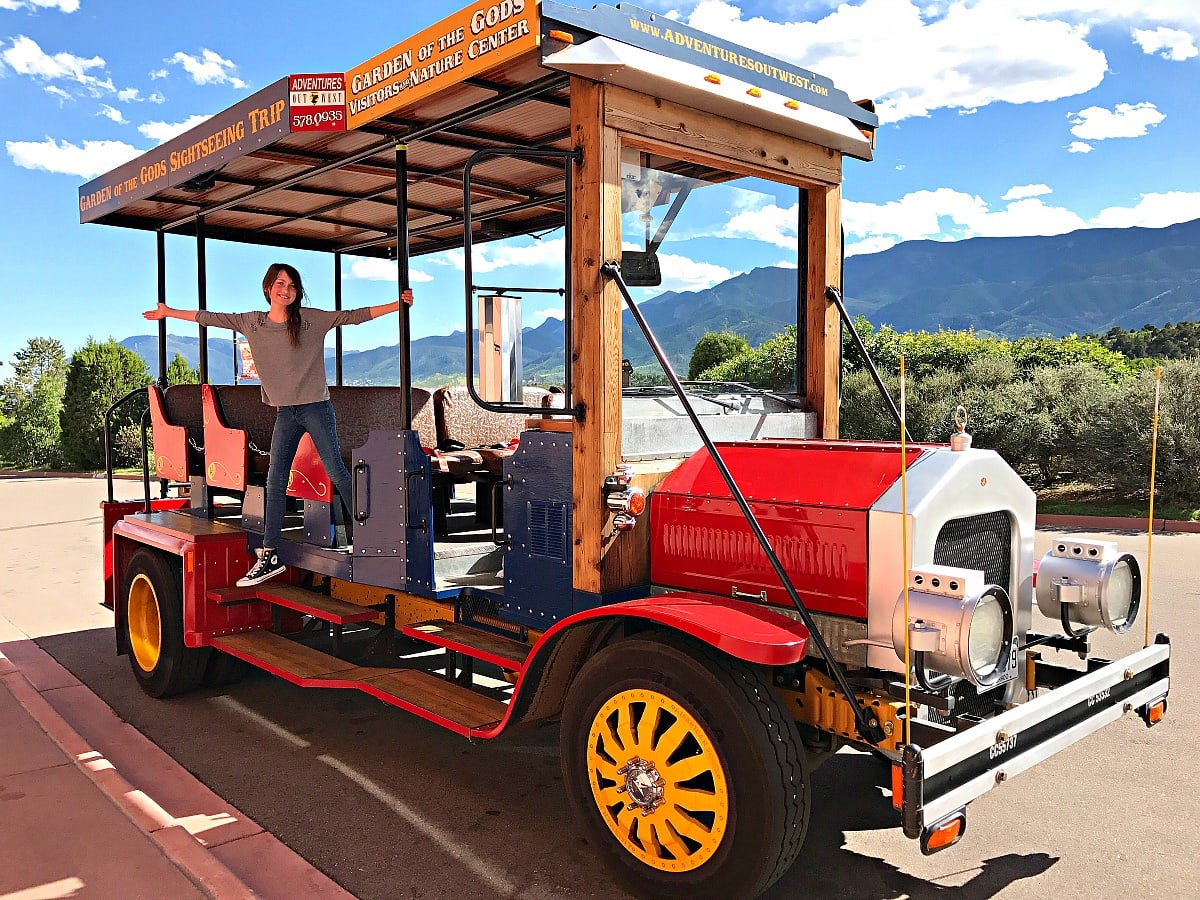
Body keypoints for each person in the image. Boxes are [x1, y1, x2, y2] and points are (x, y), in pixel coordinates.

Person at [144, 263, 413, 587]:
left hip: (316, 408)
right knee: (275, 481)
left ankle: (378, 533)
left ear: (297, 292)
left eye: (292, 285)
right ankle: (270, 554)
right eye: (280, 283)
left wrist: (398, 303)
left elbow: (354, 315)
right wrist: (168, 312)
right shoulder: (252, 322)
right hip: (286, 413)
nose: (286, 290)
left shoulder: (311, 320)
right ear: (268, 286)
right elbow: (209, 317)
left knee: (336, 471)